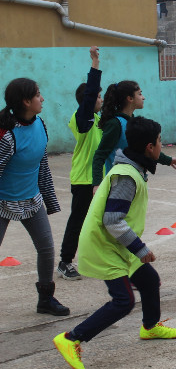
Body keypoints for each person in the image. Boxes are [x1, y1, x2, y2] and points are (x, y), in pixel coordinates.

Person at [53, 117, 176, 369]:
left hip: (118, 244)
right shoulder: (126, 176)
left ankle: (150, 327)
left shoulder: (132, 168)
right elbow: (112, 220)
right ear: (149, 147)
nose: (161, 146)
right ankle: (72, 338)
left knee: (149, 280)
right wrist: (141, 249)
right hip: (105, 245)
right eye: (159, 141)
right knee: (123, 301)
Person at [0, 78, 70, 316]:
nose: (43, 99)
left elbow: (41, 164)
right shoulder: (6, 135)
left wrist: (48, 197)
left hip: (31, 198)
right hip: (2, 201)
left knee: (47, 249)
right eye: (38, 95)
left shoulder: (40, 124)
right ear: (25, 101)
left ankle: (46, 300)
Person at [57, 46, 103, 281]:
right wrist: (95, 64)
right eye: (97, 96)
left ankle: (100, 259)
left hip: (98, 180)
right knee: (78, 220)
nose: (100, 98)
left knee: (103, 221)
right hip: (84, 179)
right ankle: (65, 262)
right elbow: (90, 94)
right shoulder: (81, 119)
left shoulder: (98, 119)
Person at [91, 80, 176, 192]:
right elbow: (100, 155)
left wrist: (169, 160)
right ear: (130, 98)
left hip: (135, 181)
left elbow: (147, 149)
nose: (143, 97)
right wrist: (96, 184)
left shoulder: (134, 123)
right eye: (139, 94)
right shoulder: (115, 124)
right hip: (118, 184)